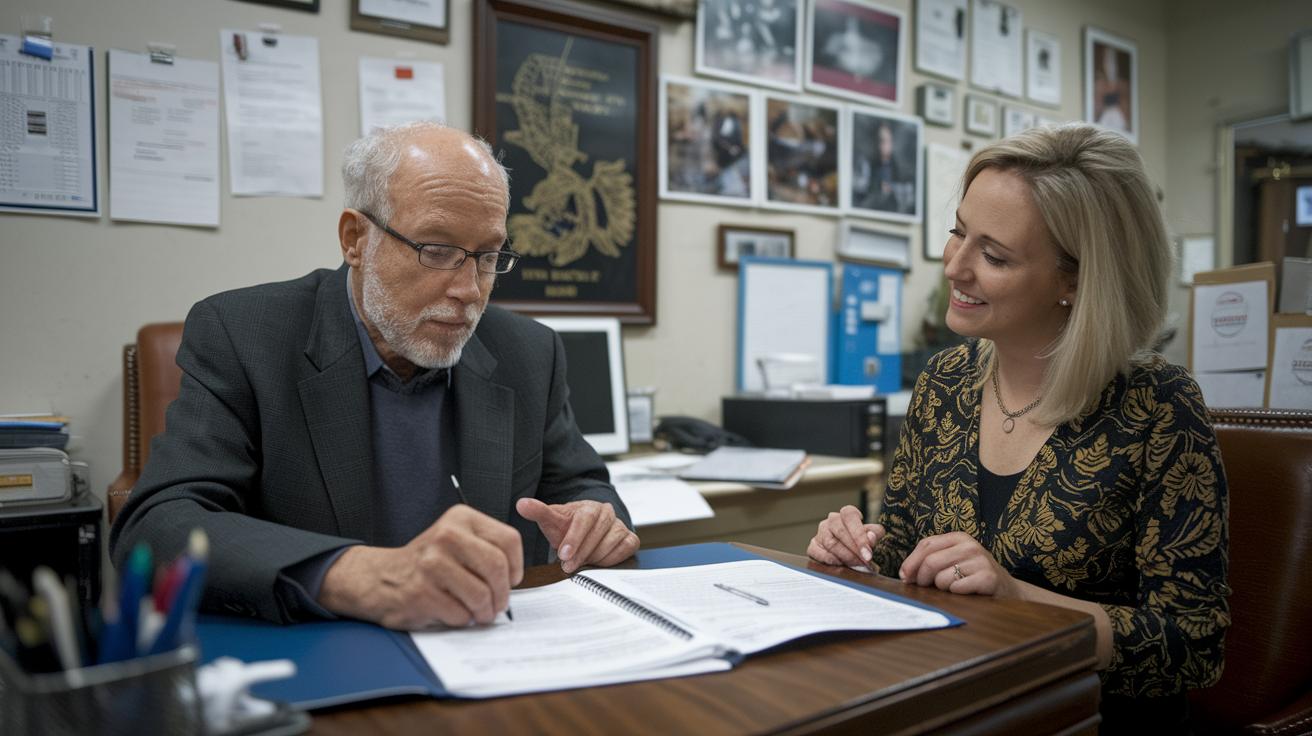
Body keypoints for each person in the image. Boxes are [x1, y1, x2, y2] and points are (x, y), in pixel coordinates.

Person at [110, 122, 639, 631]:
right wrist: (353, 575)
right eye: (436, 251)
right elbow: (159, 524)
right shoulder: (244, 335)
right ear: (355, 239)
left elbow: (582, 484)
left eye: (488, 256)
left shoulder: (528, 351)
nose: (469, 290)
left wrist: (595, 519)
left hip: (487, 645)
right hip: (320, 645)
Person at [808, 124, 1228, 732]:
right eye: (958, 232)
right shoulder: (943, 382)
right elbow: (901, 558)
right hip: (957, 700)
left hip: (1084, 718)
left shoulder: (1159, 406)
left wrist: (1017, 597)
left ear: (1075, 280)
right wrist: (856, 552)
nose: (954, 267)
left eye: (994, 256)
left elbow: (1192, 643)